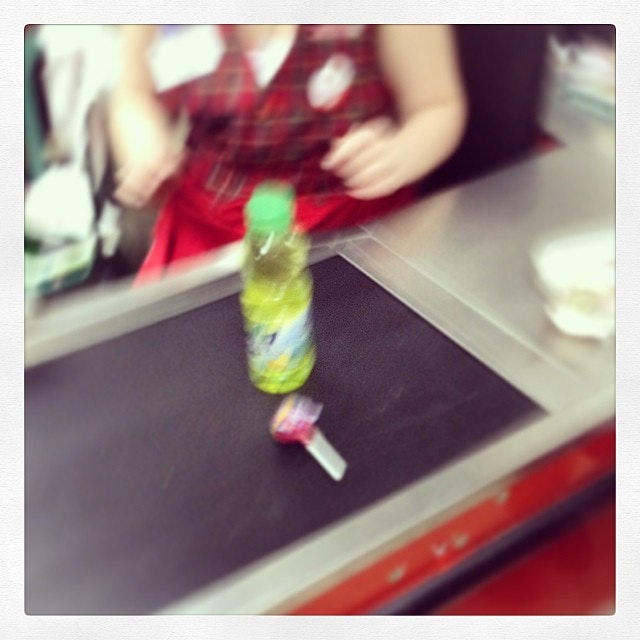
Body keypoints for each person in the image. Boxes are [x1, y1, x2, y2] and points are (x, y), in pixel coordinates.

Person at [107, 25, 467, 280]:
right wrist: (143, 144)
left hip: (352, 228)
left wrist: (402, 151)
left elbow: (437, 104)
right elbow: (133, 95)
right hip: (209, 228)